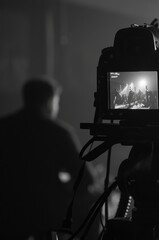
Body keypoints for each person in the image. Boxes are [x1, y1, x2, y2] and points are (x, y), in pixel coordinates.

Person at [0, 76, 95, 239]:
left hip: (6, 213)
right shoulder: (58, 133)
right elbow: (85, 179)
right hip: (43, 217)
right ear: (49, 101)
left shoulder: (4, 127)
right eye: (57, 101)